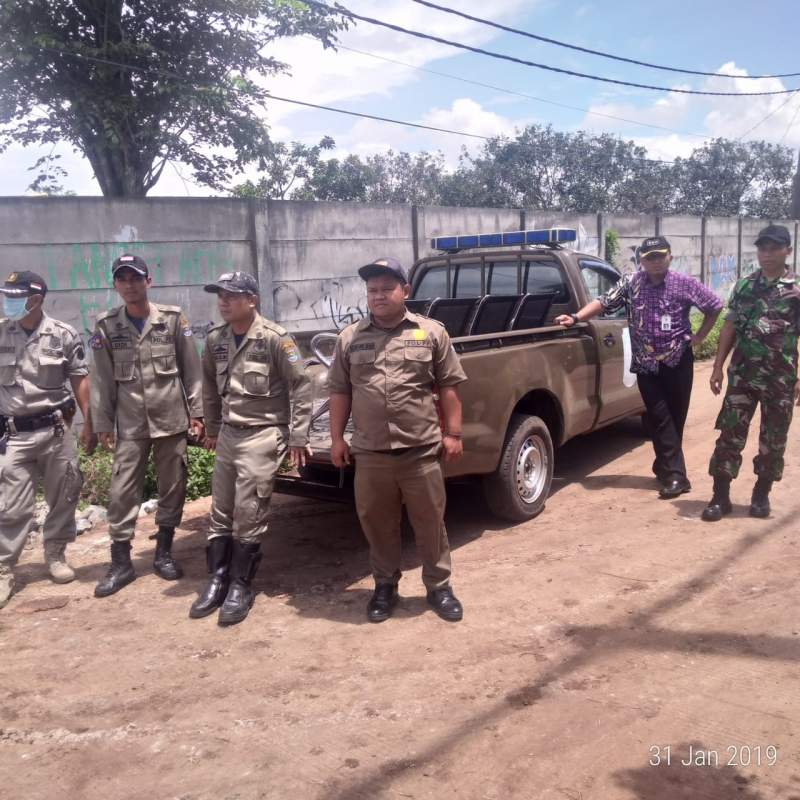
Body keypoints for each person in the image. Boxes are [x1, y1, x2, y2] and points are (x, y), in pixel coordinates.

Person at [327, 257, 467, 623]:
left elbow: (448, 386)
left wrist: (453, 433)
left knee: (430, 522)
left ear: (405, 290)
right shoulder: (350, 338)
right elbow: (340, 392)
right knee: (378, 523)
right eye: (372, 290)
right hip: (370, 452)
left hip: (420, 449)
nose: (378, 296)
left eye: (387, 288)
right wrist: (337, 438)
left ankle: (439, 587)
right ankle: (385, 587)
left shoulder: (431, 333)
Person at [556, 236, 722, 498]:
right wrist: (575, 317)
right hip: (646, 366)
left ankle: (664, 465)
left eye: (660, 256)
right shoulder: (631, 283)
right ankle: (678, 477)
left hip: (678, 361)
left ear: (669, 256)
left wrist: (700, 337)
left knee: (675, 420)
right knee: (659, 418)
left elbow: (715, 306)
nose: (655, 262)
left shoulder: (684, 283)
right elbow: (604, 301)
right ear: (641, 260)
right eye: (649, 257)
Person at [191, 271, 312, 626]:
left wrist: (298, 436)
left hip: (263, 434)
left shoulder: (275, 339)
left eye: (231, 295)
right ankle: (217, 578)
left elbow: (301, 386)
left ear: (252, 299)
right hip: (229, 434)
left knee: (249, 510)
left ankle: (241, 585)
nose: (223, 302)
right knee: (220, 510)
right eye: (220, 296)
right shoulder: (216, 339)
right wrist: (212, 428)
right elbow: (210, 390)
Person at [90, 254, 204, 597]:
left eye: (135, 278)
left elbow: (191, 370)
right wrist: (101, 423)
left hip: (170, 420)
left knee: (173, 487)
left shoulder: (171, 320)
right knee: (123, 490)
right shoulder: (107, 326)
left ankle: (164, 552)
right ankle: (121, 562)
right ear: (115, 285)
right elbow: (102, 380)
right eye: (122, 279)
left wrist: (197, 412)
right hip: (130, 423)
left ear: (148, 281)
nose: (129, 285)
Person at [0, 270, 94, 608]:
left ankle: (55, 554)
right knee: (13, 504)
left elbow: (80, 379)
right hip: (14, 435)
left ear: (36, 299)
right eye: (7, 296)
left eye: (15, 296)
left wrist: (89, 424)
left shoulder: (63, 334)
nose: (8, 302)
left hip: (56, 431)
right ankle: (4, 568)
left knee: (64, 495)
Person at [702, 225, 800, 522]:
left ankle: (761, 494)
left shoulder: (796, 290)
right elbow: (730, 325)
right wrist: (718, 366)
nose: (766, 254)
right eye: (762, 248)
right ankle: (720, 496)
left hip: (780, 380)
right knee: (730, 435)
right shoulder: (744, 286)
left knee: (773, 438)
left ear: (788, 251)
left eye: (773, 248)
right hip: (742, 376)